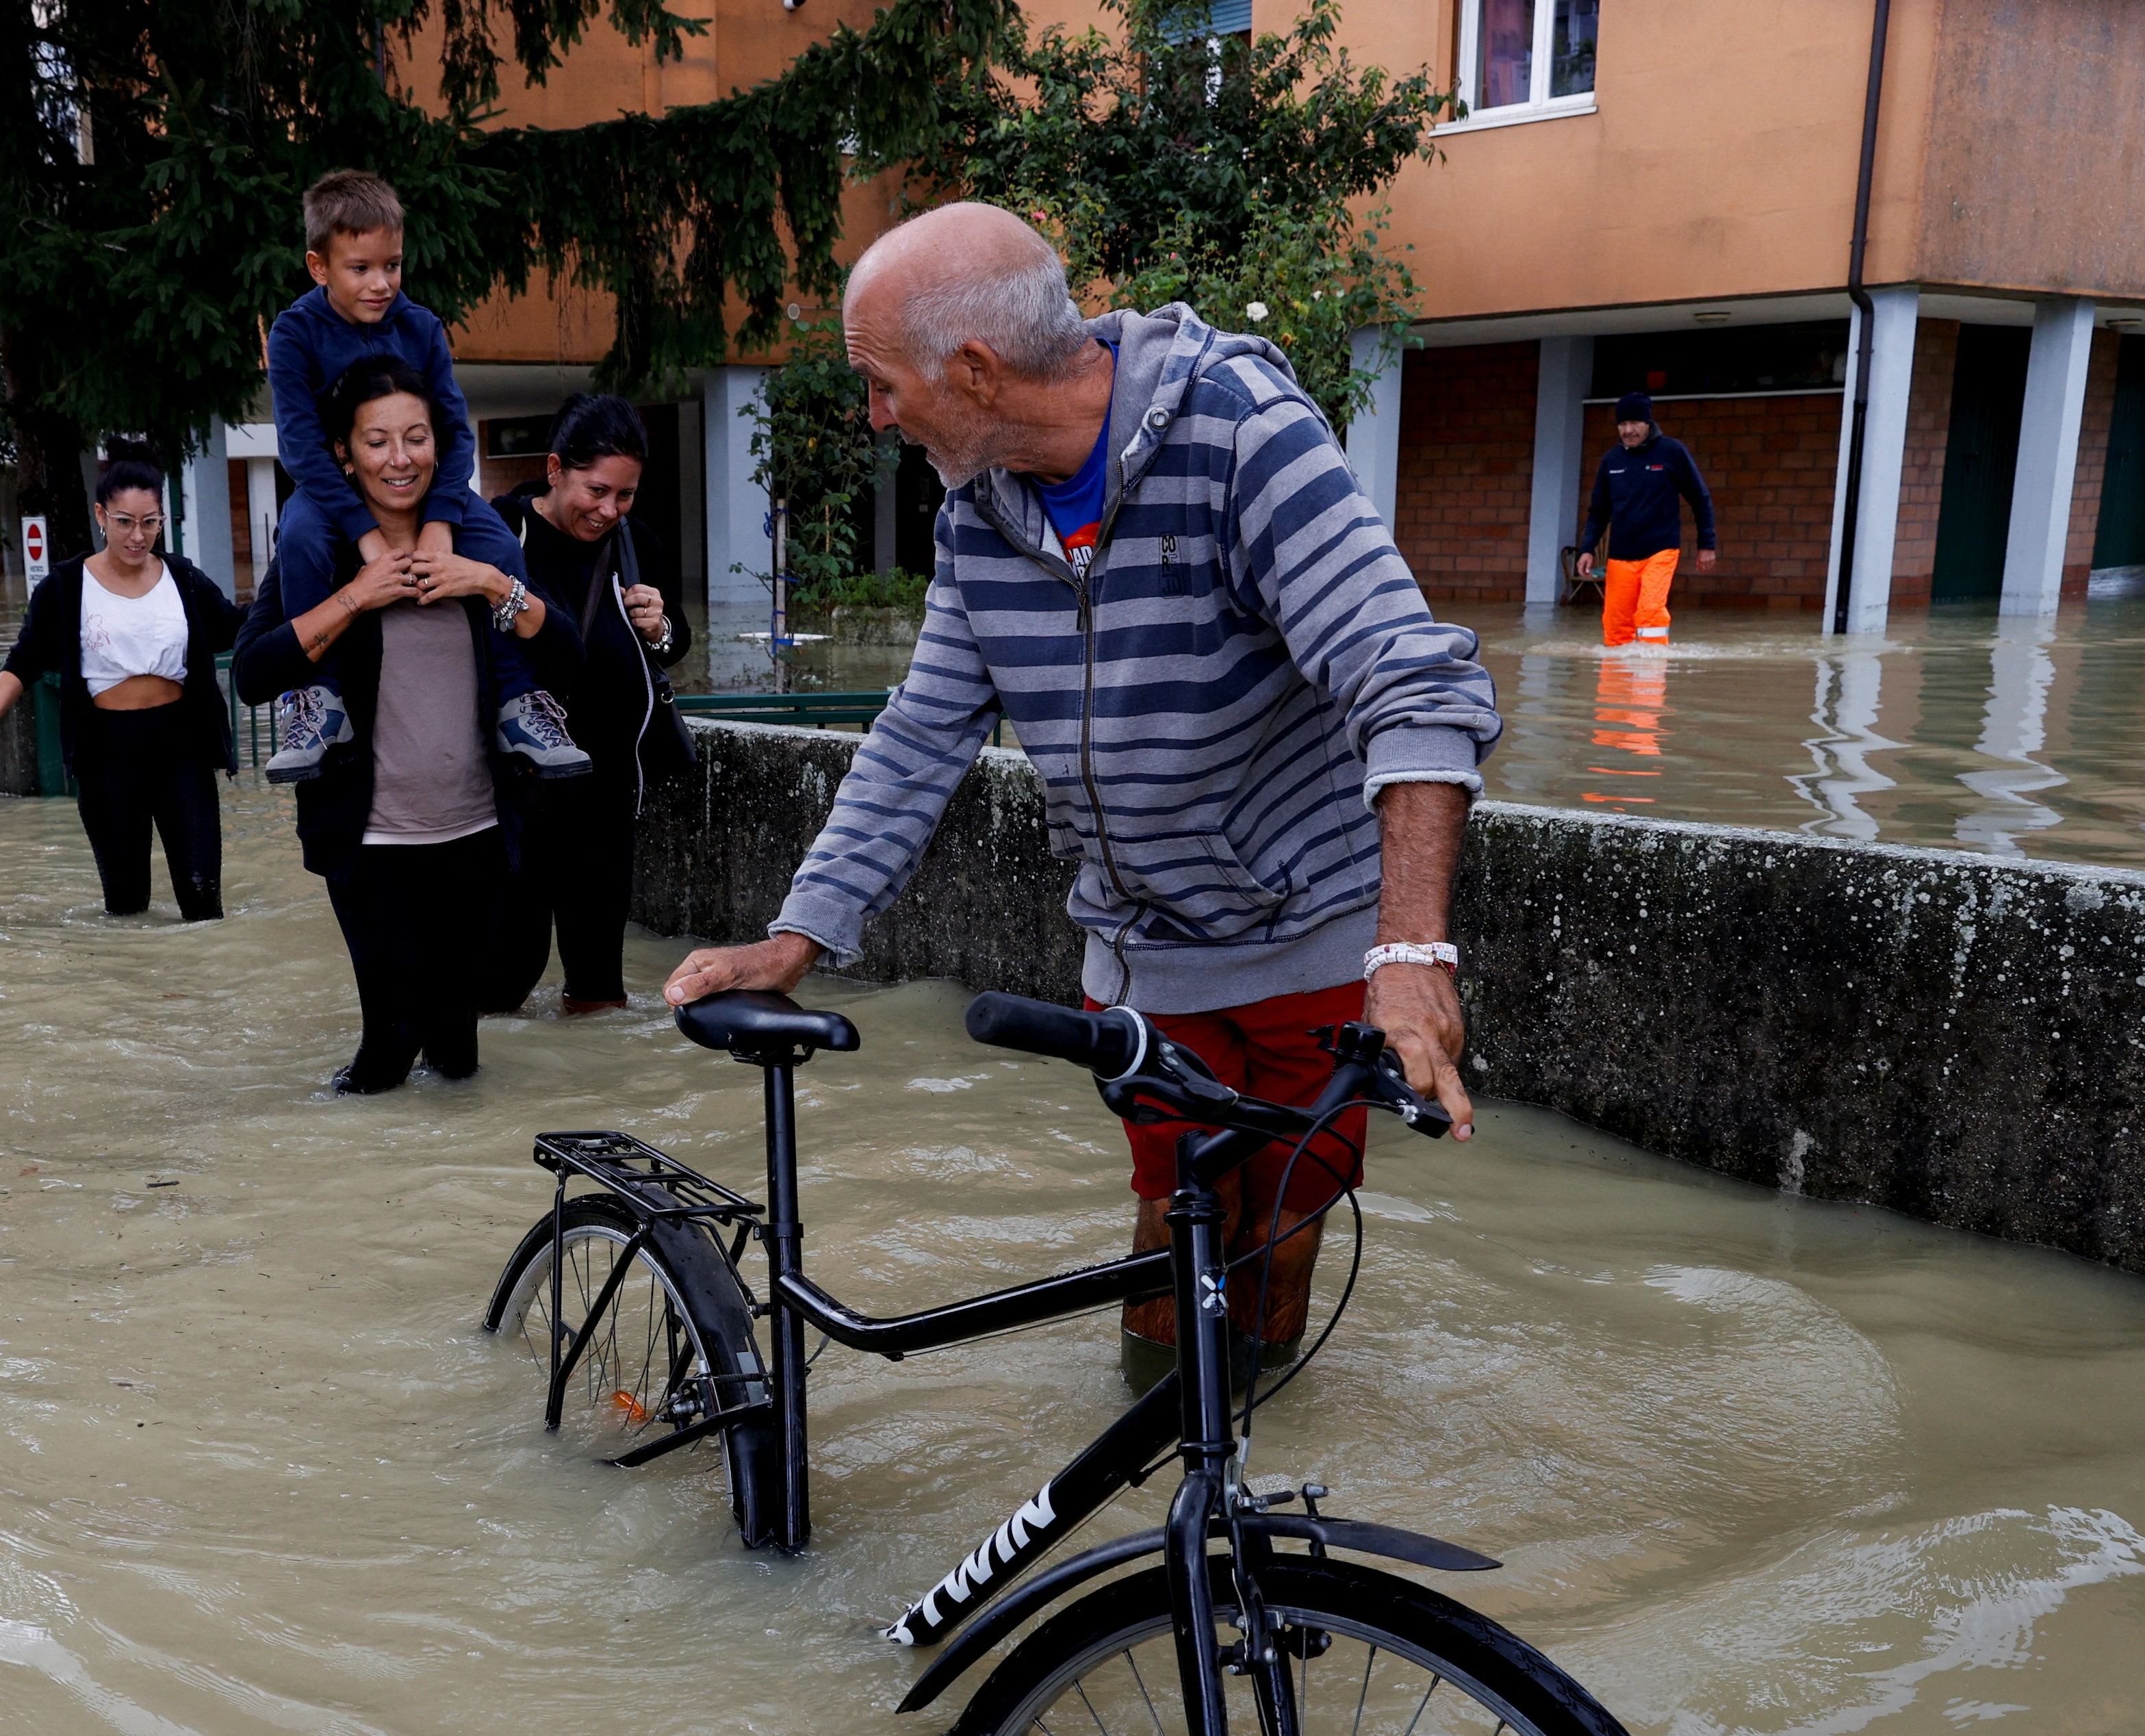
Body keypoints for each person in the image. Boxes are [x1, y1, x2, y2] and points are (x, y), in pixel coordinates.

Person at [658, 203, 1500, 1387]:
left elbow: (1414, 680)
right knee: (1172, 1220)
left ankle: (1250, 1465)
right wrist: (801, 934)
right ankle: (1156, 1457)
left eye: (883, 383)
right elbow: (919, 738)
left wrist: (1411, 949)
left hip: (1313, 937)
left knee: (1286, 1227)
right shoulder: (981, 513)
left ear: (976, 369)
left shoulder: (1244, 439)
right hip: (1146, 945)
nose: (875, 414)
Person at [235, 356, 563, 1094]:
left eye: (415, 437)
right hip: (370, 841)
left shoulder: (478, 544)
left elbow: (564, 654)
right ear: (344, 456)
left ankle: (453, 1198)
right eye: (376, 441)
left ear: (439, 446)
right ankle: (356, 1186)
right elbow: (252, 675)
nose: (399, 458)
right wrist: (357, 597)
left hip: (477, 833)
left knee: (457, 1050)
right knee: (386, 1049)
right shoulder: (315, 555)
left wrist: (489, 584)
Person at [259, 168, 585, 789]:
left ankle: (520, 705)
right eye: (361, 268)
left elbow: (456, 434)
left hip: (431, 493)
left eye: (393, 265)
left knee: (494, 545)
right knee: (298, 540)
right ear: (318, 266)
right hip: (330, 489)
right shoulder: (295, 332)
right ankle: (317, 705)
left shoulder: (421, 327)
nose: (381, 283)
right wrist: (365, 535)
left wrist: (439, 524)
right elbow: (302, 449)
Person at [0, 452, 242, 923]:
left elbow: (237, 627)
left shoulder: (183, 578)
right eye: (125, 521)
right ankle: (132, 993)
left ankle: (201, 991)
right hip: (108, 756)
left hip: (182, 751)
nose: (138, 535)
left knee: (203, 903)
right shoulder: (67, 586)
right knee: (126, 907)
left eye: (150, 522)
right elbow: (24, 659)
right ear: (101, 515)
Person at [483, 394, 693, 1017]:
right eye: (596, 491)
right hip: (517, 798)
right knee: (502, 982)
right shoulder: (503, 531)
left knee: (599, 987)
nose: (608, 511)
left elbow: (672, 641)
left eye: (624, 495)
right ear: (555, 470)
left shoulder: (636, 543)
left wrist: (660, 626)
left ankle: (599, 1097)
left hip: (604, 801)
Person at [1582, 390, 1719, 647]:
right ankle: (1615, 686)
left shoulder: (1672, 452)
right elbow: (1599, 510)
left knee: (1650, 613)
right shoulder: (1612, 460)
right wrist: (1587, 548)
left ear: (1648, 423)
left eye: (1635, 423)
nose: (1628, 430)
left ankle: (1650, 680)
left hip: (1660, 550)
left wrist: (1707, 545)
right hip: (1621, 554)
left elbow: (1700, 498)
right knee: (1615, 623)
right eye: (1623, 424)